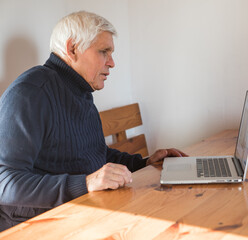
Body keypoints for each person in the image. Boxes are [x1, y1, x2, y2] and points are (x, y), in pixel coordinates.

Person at [0, 11, 187, 231]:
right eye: (103, 52)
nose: (112, 62)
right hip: (37, 228)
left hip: (84, 214)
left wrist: (144, 163)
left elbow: (96, 155)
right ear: (72, 49)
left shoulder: (81, 92)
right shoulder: (30, 92)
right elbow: (5, 182)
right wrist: (86, 183)